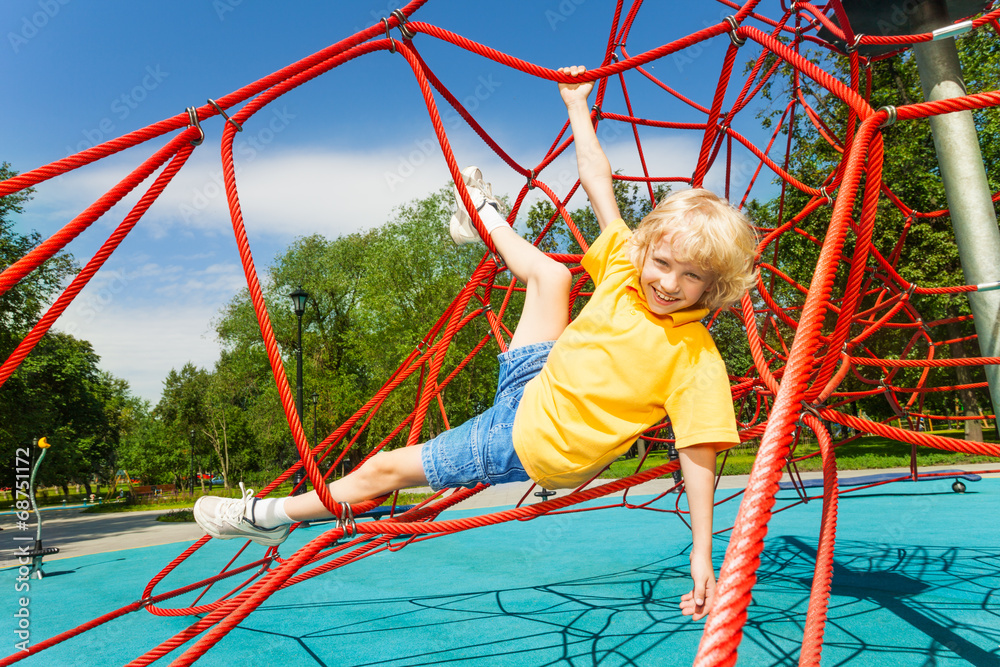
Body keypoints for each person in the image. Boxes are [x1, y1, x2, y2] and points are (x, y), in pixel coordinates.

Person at [195, 65, 757, 622]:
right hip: (537, 382)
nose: (667, 283)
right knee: (554, 277)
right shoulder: (626, 269)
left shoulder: (694, 357)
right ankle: (479, 219)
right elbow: (597, 182)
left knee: (383, 468)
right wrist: (577, 105)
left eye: (691, 278)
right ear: (646, 252)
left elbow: (698, 453)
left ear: (714, 288)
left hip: (525, 438)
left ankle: (267, 514)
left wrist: (702, 551)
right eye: (662, 263)